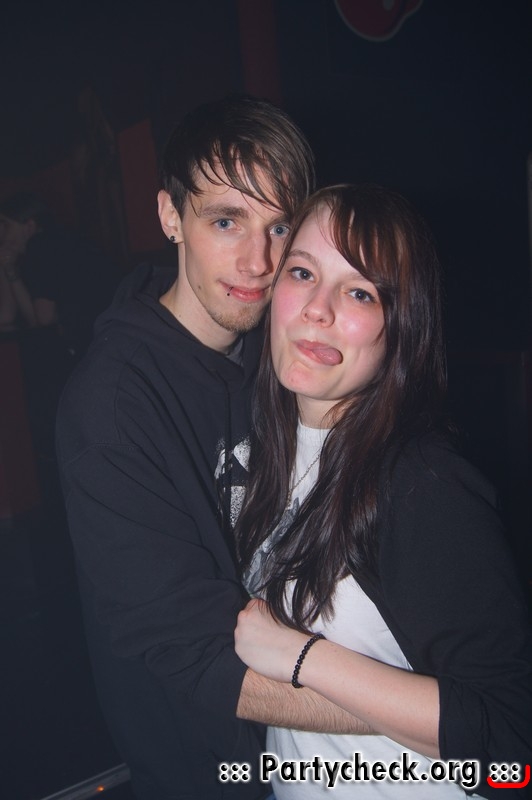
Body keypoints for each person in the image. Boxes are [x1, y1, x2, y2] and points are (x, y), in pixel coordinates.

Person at [57, 95, 368, 800]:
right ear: (171, 217)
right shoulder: (112, 407)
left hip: (304, 745)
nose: (258, 261)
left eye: (279, 226)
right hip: (205, 763)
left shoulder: (281, 351)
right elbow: (194, 659)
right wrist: (418, 715)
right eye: (225, 221)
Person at [234, 184, 532, 799]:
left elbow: (512, 743)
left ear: (402, 327)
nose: (317, 309)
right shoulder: (268, 450)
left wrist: (301, 658)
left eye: (360, 292)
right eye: (303, 273)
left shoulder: (421, 483)